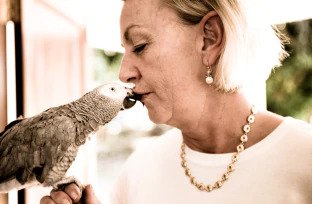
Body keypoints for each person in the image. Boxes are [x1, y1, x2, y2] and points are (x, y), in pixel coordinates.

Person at [40, 0, 312, 203]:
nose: (124, 73)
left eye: (140, 46)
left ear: (209, 39)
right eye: (125, 52)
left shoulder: (305, 159)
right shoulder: (136, 173)